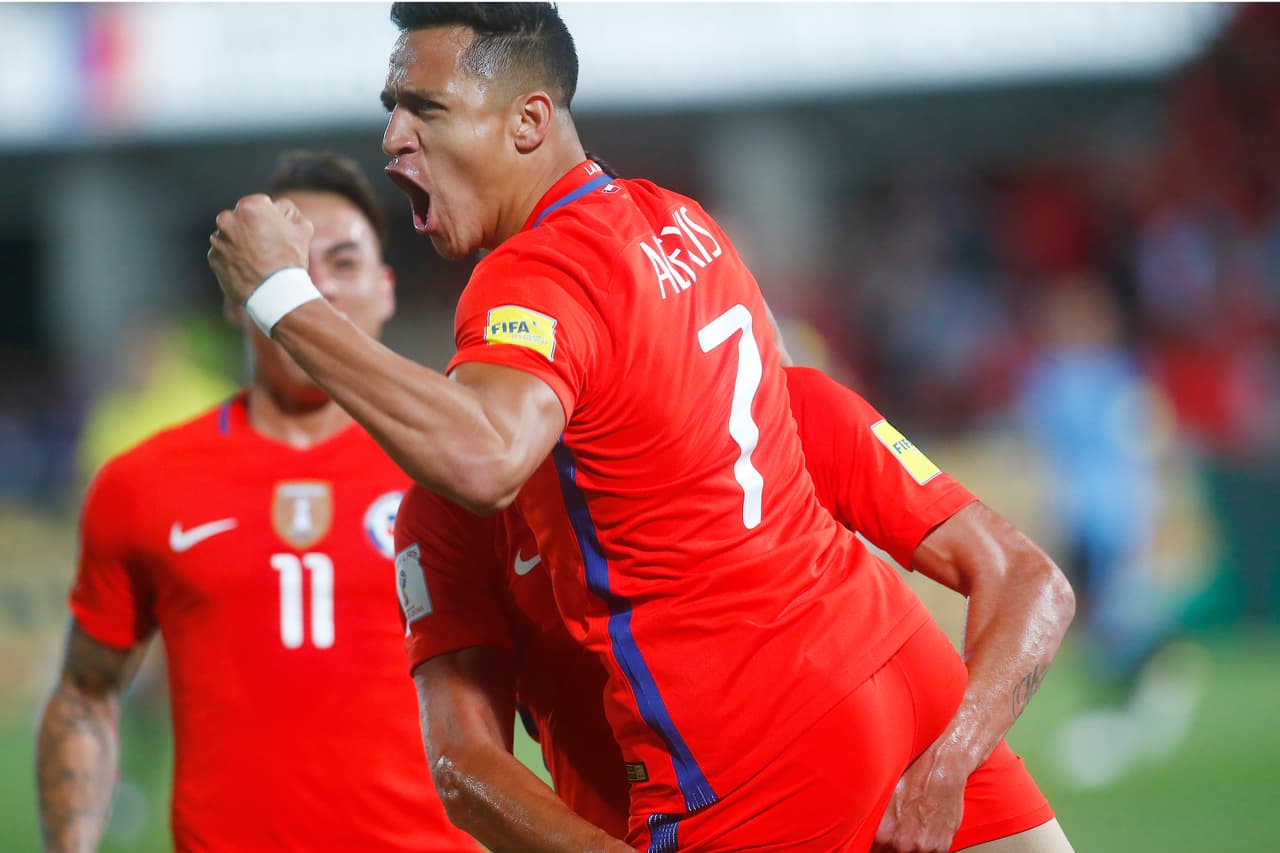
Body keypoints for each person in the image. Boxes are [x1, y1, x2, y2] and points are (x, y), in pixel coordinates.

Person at [205, 6, 1071, 849]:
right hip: (890, 667)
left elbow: (483, 456)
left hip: (744, 750)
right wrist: (950, 759)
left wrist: (282, 297)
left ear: (528, 122)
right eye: (391, 109)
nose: (394, 136)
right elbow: (464, 761)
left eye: (424, 108)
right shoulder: (683, 226)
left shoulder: (539, 279)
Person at [396, 363, 1075, 853]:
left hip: (910, 763)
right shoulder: (454, 513)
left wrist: (947, 766)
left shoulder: (782, 405)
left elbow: (1029, 580)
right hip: (680, 823)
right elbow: (462, 760)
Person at [37, 150, 478, 853]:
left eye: (343, 263)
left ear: (386, 290)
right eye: (288, 266)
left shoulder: (461, 472)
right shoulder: (143, 482)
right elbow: (85, 691)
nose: (313, 290)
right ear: (235, 292)